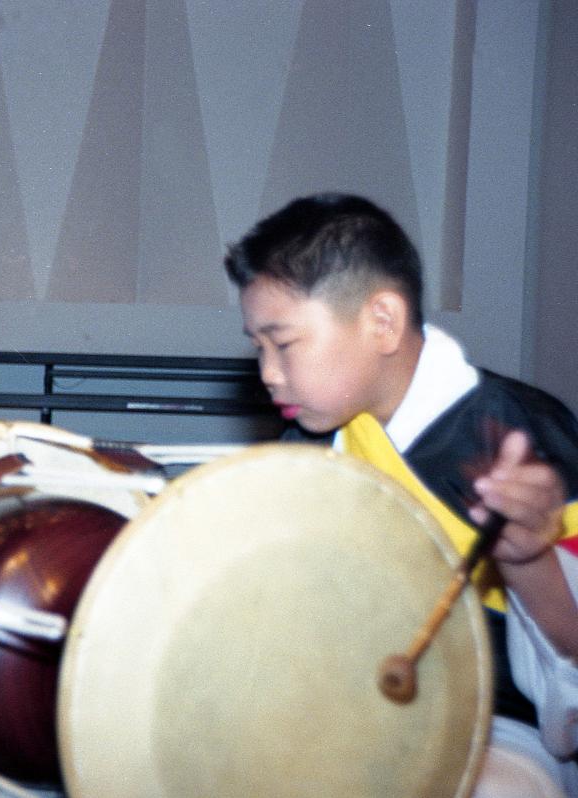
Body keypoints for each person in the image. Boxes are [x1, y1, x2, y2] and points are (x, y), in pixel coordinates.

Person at [225, 193, 578, 796]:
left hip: (494, 729)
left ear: (382, 321)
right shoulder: (310, 446)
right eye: (259, 348)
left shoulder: (519, 437)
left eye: (283, 344)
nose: (268, 373)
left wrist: (529, 559)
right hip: (347, 715)